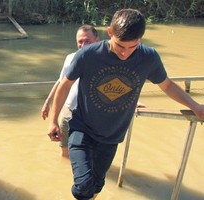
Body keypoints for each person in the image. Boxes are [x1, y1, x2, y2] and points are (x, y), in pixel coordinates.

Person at [46, 9, 204, 200]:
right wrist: (53, 120)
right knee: (83, 187)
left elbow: (167, 85)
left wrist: (196, 106)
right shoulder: (88, 55)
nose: (125, 53)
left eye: (132, 47)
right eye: (120, 46)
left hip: (112, 135)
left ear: (141, 38)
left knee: (97, 185)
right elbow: (64, 85)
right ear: (110, 32)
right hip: (83, 129)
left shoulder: (148, 57)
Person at [41, 25, 100, 158]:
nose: (83, 45)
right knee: (65, 150)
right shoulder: (70, 58)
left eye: (87, 41)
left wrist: (134, 101)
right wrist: (47, 102)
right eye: (80, 42)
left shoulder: (104, 61)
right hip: (69, 111)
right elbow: (61, 82)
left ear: (97, 40)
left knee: (92, 151)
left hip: (92, 115)